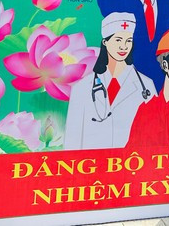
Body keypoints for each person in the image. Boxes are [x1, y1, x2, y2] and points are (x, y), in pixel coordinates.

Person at [64, 12, 156, 150]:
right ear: (105, 42)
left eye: (128, 40)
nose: (123, 46)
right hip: (92, 166)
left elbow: (155, 136)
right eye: (118, 40)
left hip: (132, 165)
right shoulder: (82, 88)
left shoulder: (146, 87)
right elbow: (72, 142)